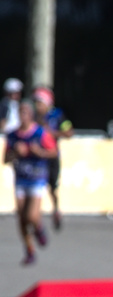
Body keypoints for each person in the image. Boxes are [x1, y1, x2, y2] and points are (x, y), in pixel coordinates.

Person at [5, 97, 54, 265]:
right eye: (20, 112)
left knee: (31, 215)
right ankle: (29, 249)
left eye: (25, 112)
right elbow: (5, 159)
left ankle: (38, 227)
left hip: (37, 178)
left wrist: (38, 152)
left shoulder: (40, 133)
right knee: (21, 217)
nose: (23, 116)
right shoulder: (13, 135)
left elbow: (53, 152)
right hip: (21, 179)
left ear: (31, 114)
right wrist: (15, 153)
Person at [32, 85, 68, 230]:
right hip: (36, 158)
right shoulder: (33, 117)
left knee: (52, 187)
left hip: (52, 156)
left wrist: (51, 132)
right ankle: (35, 216)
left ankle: (56, 209)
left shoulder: (57, 115)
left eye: (40, 103)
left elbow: (68, 132)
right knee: (35, 187)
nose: (37, 106)